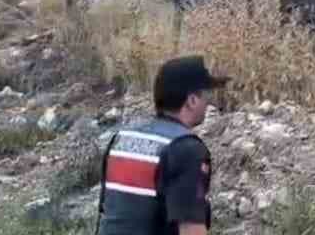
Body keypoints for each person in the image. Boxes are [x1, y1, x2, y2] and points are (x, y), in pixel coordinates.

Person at [96, 55, 230, 235]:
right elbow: (191, 229)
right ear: (192, 100)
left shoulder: (121, 138)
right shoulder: (186, 149)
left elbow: (110, 214)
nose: (209, 102)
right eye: (206, 95)